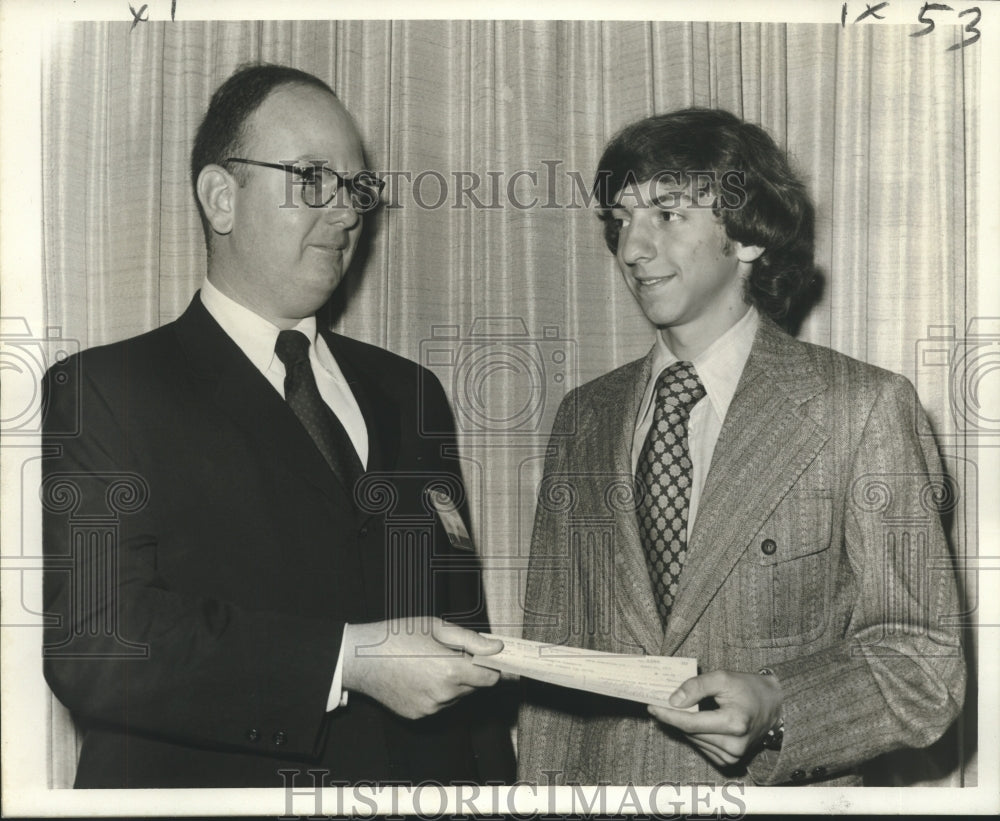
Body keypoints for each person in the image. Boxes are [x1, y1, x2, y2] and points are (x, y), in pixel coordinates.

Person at [41, 63, 514, 788]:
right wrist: (346, 659)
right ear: (221, 197)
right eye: (313, 179)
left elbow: (464, 640)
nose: (349, 213)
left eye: (355, 188)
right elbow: (99, 641)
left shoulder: (409, 391)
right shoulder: (108, 391)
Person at [516, 108, 965, 786]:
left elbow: (923, 666)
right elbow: (550, 672)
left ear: (749, 236)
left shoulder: (863, 408)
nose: (632, 248)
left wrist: (780, 702)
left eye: (667, 214)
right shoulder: (583, 417)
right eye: (620, 218)